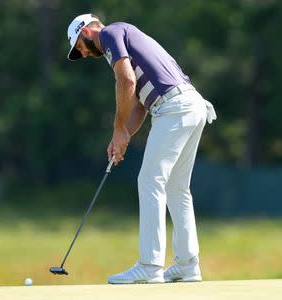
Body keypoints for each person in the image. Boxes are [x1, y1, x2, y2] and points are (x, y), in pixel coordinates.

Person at [66, 13, 216, 284]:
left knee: (150, 181)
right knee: (176, 188)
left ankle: (150, 265)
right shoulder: (124, 38)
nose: (85, 55)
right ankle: (187, 265)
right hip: (190, 105)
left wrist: (117, 128)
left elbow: (125, 82)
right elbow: (139, 105)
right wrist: (121, 137)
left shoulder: (110, 34)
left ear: (86, 32)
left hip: (174, 108)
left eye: (80, 48)